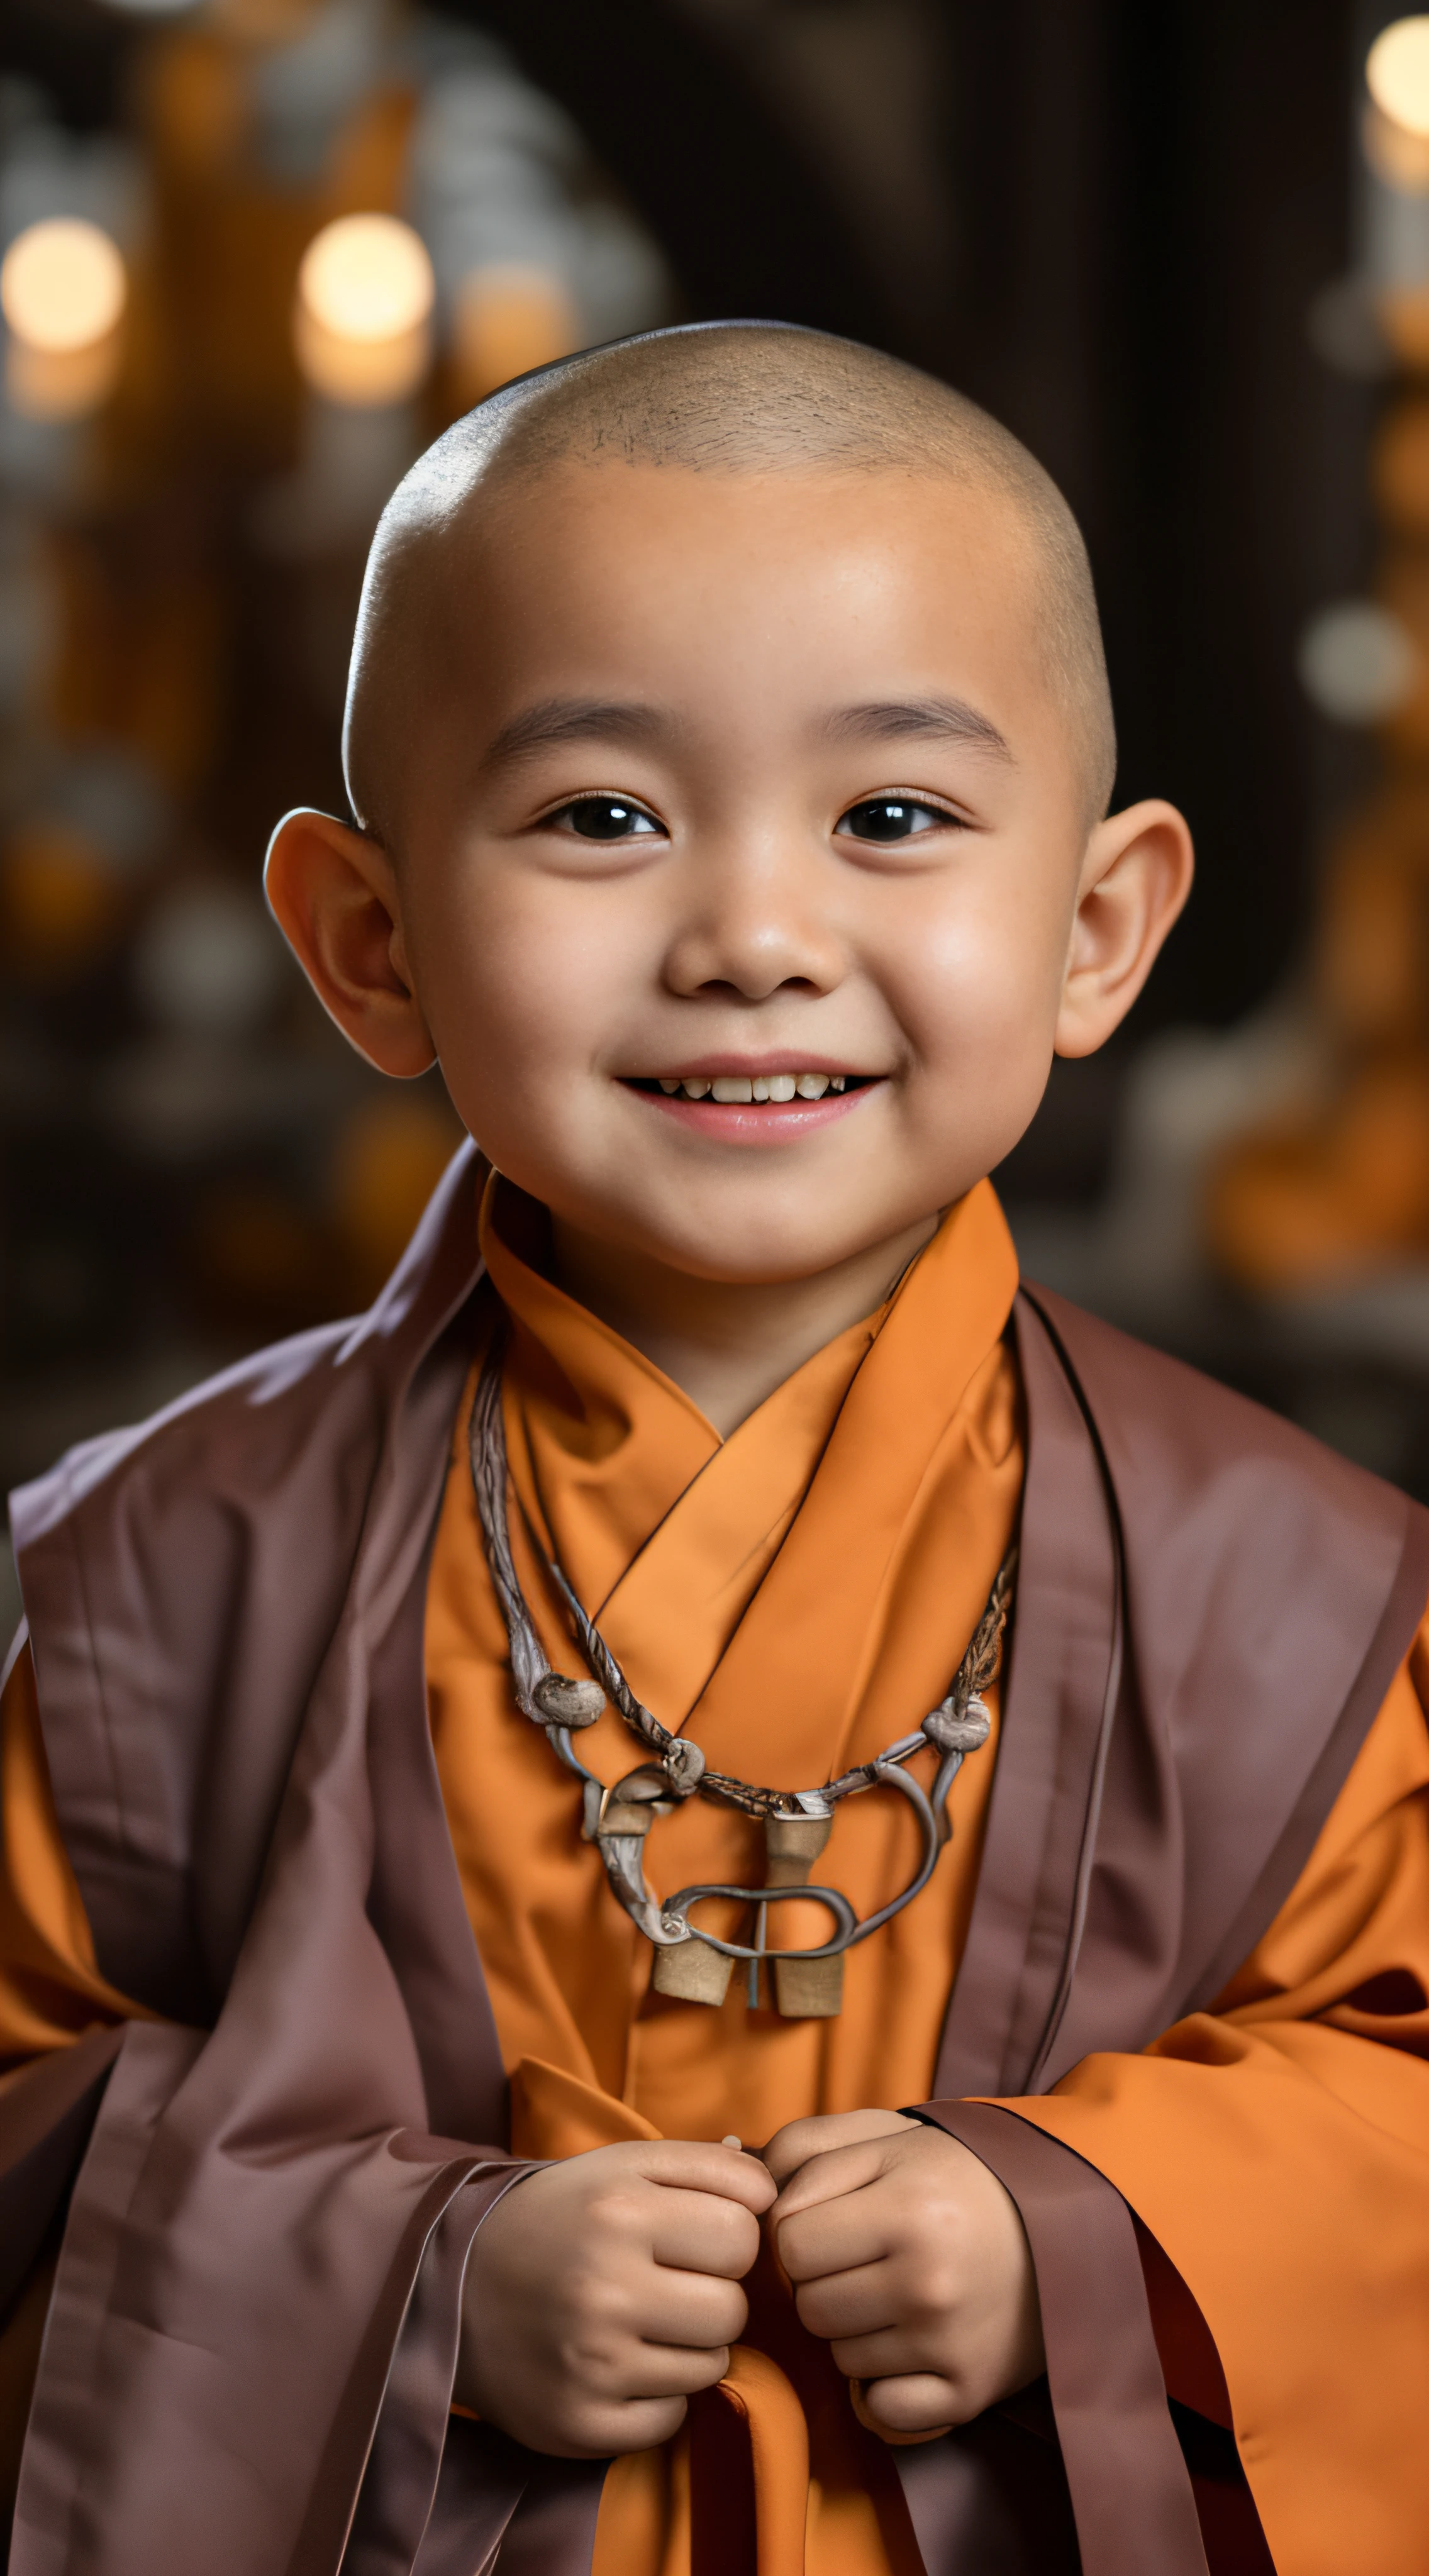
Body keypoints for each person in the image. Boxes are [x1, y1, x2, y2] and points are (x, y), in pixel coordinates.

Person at [3, 323, 1427, 2576]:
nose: (755, 939)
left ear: (1094, 929)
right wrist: (405, 2279)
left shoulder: (1308, 1597)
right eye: (602, 817)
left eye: (891, 818)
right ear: (366, 947)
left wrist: (1096, 2226)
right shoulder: (145, 1586)